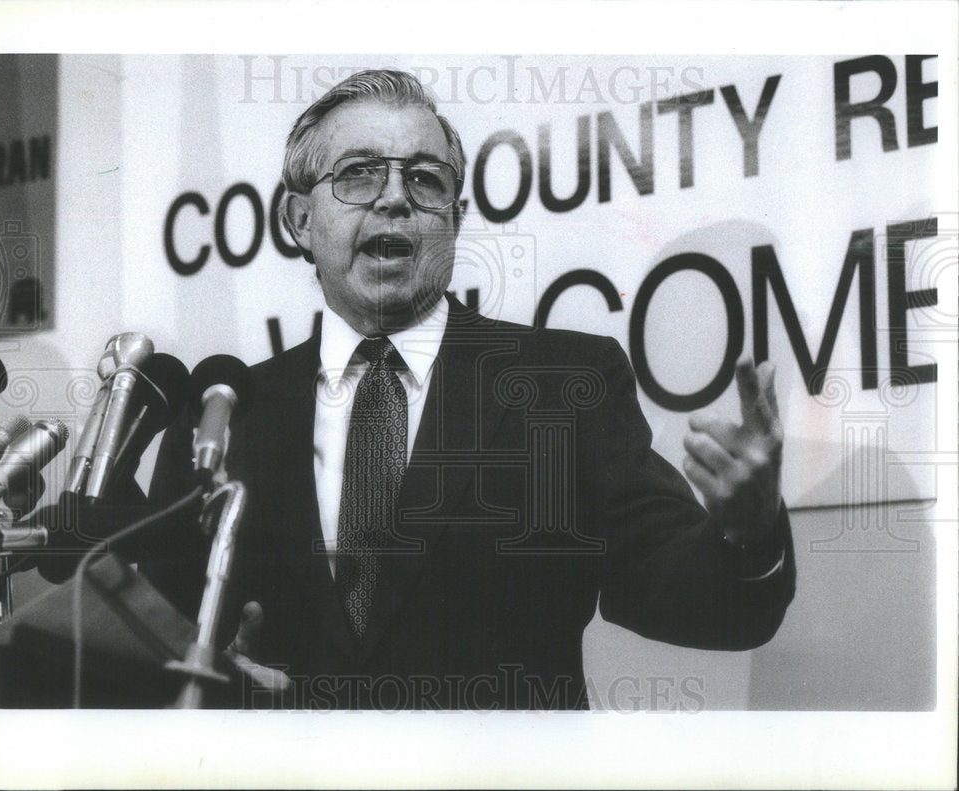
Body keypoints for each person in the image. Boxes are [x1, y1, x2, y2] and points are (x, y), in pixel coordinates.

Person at [145, 69, 794, 710]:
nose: (395, 198)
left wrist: (749, 532)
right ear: (299, 218)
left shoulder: (564, 388)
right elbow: (151, 638)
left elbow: (702, 600)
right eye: (359, 173)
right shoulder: (223, 415)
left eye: (425, 180)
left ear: (455, 220)